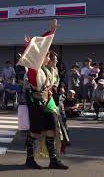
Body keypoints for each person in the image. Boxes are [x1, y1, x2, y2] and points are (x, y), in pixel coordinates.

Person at [24, 19, 68, 170]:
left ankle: (53, 160)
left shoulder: (45, 70)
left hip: (47, 102)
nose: (48, 57)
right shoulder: (33, 69)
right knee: (35, 132)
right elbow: (40, 47)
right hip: (36, 104)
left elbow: (43, 45)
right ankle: (29, 159)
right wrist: (51, 32)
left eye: (48, 56)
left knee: (51, 131)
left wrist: (52, 31)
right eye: (46, 55)